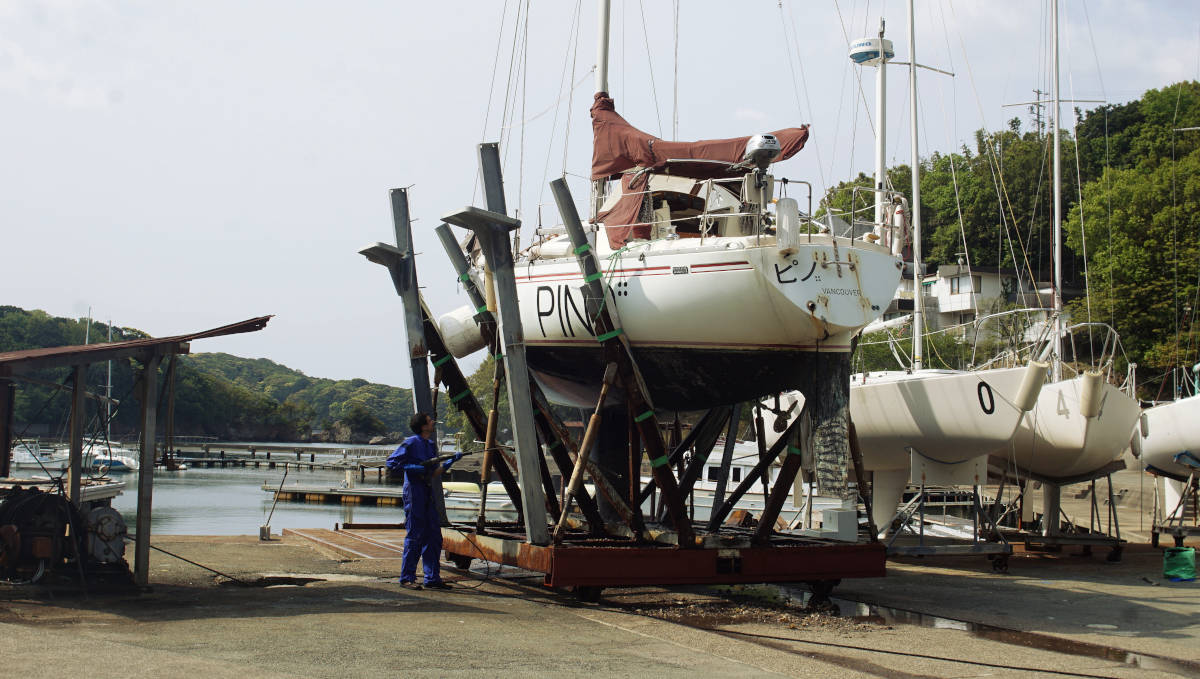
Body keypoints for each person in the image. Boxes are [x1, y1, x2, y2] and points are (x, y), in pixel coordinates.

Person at [386, 412, 463, 590]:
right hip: (414, 491)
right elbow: (391, 463)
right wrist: (410, 468)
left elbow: (434, 472)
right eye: (429, 421)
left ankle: (432, 578)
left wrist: (449, 463)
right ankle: (407, 578)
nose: (433, 422)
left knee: (433, 535)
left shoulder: (430, 445)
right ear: (423, 426)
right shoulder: (411, 443)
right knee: (415, 535)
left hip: (427, 491)